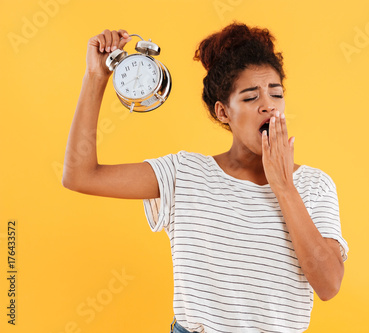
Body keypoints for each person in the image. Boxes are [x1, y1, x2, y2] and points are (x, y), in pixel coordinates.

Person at [63, 23, 349, 333]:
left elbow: (329, 285)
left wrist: (283, 186)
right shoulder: (184, 174)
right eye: (250, 98)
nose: (268, 105)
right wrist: (95, 77)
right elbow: (80, 175)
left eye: (276, 94)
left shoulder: (314, 185)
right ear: (223, 112)